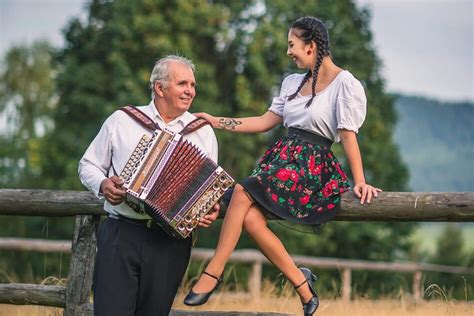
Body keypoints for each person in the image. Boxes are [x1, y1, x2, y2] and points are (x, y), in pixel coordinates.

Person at [183, 17, 382, 315]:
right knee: (250, 220)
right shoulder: (292, 82)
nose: (288, 51)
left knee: (241, 191)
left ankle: (213, 272)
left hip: (312, 165)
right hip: (281, 160)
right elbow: (264, 122)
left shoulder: (345, 83)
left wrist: (360, 180)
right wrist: (216, 121)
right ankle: (302, 285)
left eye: (292, 44)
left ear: (311, 46)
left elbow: (348, 133)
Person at [78, 55, 220, 316]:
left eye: (193, 85)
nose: (191, 91)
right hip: (121, 234)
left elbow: (206, 187)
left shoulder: (202, 131)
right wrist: (102, 183)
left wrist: (207, 207)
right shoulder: (123, 120)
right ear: (159, 87)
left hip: (170, 243)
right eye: (183, 84)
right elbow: (87, 164)